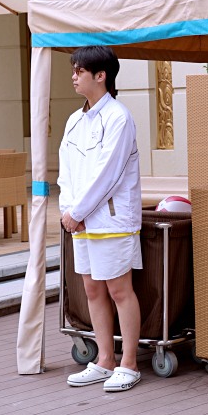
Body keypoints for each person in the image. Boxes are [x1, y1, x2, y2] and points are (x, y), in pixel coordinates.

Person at [59, 45, 143, 392]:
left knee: (119, 290)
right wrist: (69, 211)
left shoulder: (119, 117)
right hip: (81, 222)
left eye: (79, 70)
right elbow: (66, 171)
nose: (74, 76)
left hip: (110, 220)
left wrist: (76, 213)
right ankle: (105, 360)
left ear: (100, 75)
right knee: (93, 289)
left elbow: (108, 174)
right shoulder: (75, 119)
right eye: (74, 69)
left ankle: (129, 363)